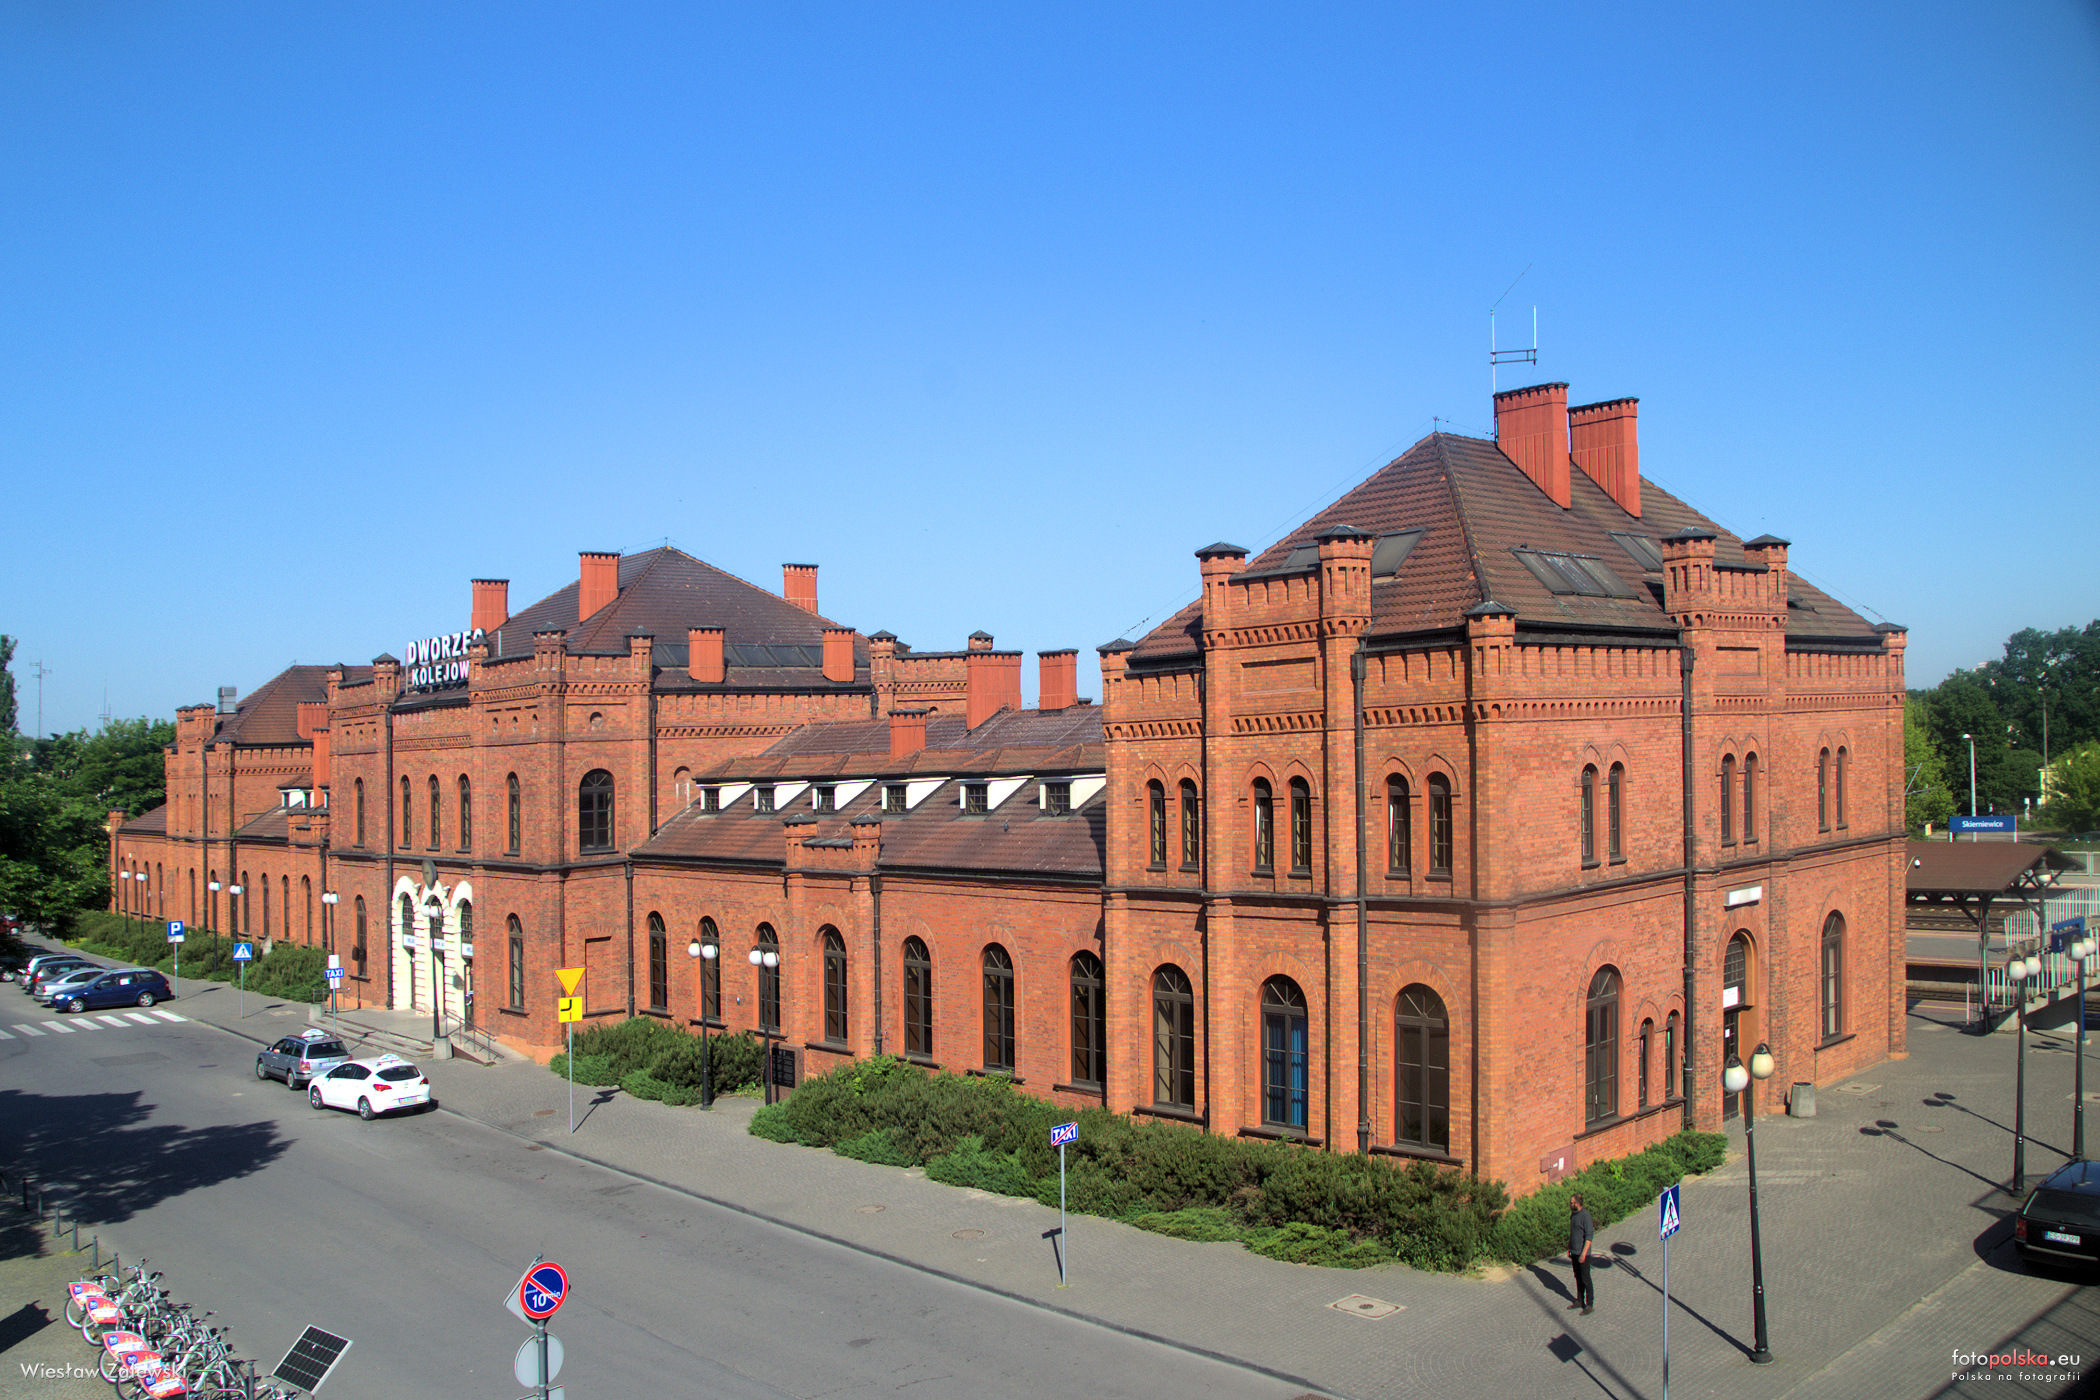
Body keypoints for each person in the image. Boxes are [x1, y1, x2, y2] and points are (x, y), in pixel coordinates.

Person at [1568, 1192, 1596, 1315]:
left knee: (1586, 1279)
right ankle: (1580, 1300)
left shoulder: (1585, 1216)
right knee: (1578, 1277)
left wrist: (1583, 1254)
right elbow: (1573, 1233)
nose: (1570, 1205)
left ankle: (1589, 1304)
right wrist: (1569, 1248)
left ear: (1577, 1203)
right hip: (1574, 1252)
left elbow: (1589, 1237)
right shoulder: (1573, 1215)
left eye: (1571, 1203)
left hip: (1583, 1253)